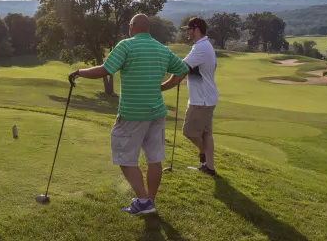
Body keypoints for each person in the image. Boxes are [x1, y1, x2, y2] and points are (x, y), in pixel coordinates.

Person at [69, 14, 189, 216]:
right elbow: (182, 70)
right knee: (154, 159)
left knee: (125, 159)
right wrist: (162, 87)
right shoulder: (162, 49)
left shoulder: (126, 46)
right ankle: (149, 200)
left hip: (133, 113)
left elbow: (105, 70)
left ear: (132, 27)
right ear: (148, 29)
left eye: (129, 26)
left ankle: (143, 201)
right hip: (157, 112)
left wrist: (79, 72)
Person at [161, 16, 218, 175]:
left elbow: (180, 68)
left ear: (197, 29)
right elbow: (190, 69)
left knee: (189, 131)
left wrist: (162, 87)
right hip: (207, 98)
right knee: (206, 134)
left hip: (202, 100)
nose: (187, 32)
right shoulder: (204, 45)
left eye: (189, 29)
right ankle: (209, 167)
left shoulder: (201, 47)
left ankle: (204, 156)